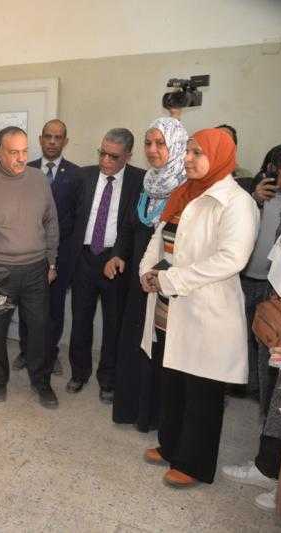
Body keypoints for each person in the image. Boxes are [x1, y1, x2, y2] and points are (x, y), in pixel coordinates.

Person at [140, 128, 258, 488]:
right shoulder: (185, 192)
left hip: (206, 310)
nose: (188, 158)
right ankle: (171, 445)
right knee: (173, 381)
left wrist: (170, 279)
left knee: (201, 390)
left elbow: (231, 259)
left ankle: (193, 464)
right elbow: (159, 238)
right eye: (187, 151)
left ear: (219, 157)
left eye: (197, 153)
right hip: (170, 305)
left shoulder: (237, 202)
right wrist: (146, 270)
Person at [222, 145, 281, 511]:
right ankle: (271, 469)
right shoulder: (250, 194)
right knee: (277, 393)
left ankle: (274, 475)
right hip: (278, 301)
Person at [0, 126, 59, 407]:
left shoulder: (39, 180)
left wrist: (52, 260)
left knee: (39, 329)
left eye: (25, 151)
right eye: (14, 152)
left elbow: (51, 222)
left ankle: (41, 382)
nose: (21, 158)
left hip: (35, 269)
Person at [109, 117, 188, 431]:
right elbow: (129, 228)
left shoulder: (186, 188)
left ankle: (153, 417)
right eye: (148, 143)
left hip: (166, 283)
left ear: (176, 146)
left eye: (160, 143)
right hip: (138, 278)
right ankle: (130, 409)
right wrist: (118, 254)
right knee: (133, 340)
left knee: (158, 347)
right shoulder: (147, 182)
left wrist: (160, 275)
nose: (152, 149)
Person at [66, 128, 145, 403]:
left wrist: (120, 254)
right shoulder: (83, 176)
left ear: (128, 156)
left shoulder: (139, 181)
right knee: (80, 320)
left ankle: (108, 379)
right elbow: (70, 217)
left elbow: (135, 227)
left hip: (116, 260)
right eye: (102, 153)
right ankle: (79, 373)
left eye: (113, 156)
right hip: (84, 258)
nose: (105, 161)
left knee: (114, 324)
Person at [14, 119, 81, 376]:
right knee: (26, 305)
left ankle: (50, 355)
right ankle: (25, 351)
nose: (52, 142)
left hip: (60, 255)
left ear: (65, 141)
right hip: (27, 252)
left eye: (58, 137)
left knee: (54, 308)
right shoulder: (25, 169)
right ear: (40, 139)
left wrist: (67, 257)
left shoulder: (76, 175)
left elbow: (77, 218)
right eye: (48, 136)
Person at [240, 144, 281, 397]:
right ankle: (239, 384)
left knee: (265, 335)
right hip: (241, 278)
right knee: (239, 336)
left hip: (271, 286)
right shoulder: (246, 192)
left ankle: (258, 391)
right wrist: (253, 200)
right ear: (273, 168)